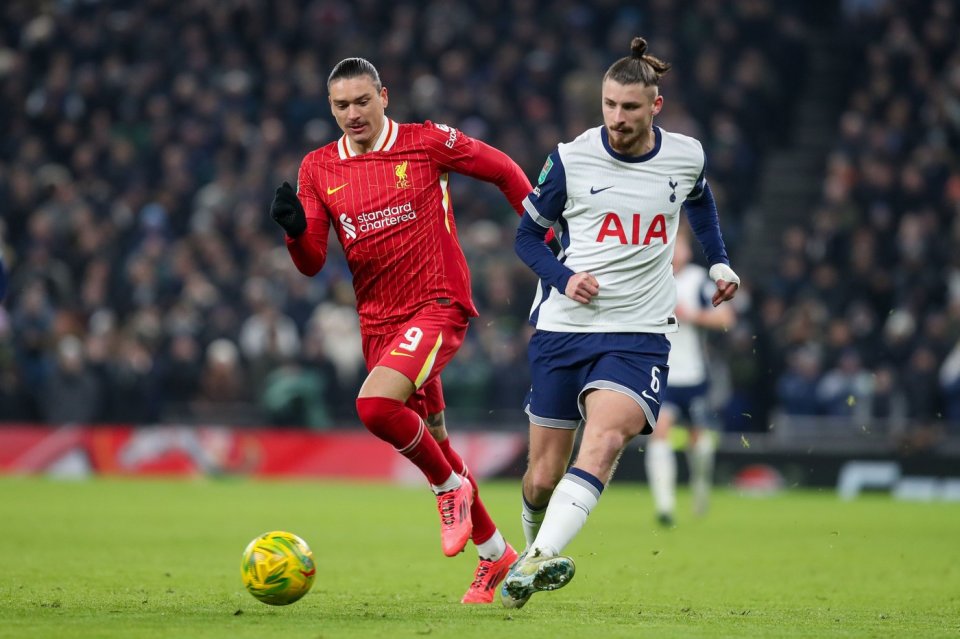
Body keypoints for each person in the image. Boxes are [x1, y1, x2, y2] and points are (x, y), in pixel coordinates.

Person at [269, 57, 556, 604]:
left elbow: (502, 169)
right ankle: (496, 556)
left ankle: (448, 492)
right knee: (437, 439)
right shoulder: (317, 168)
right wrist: (294, 230)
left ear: (384, 95)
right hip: (379, 322)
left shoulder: (425, 142)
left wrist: (540, 236)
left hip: (437, 302)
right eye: (340, 105)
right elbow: (310, 262)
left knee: (375, 408)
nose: (352, 114)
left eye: (361, 101)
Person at [502, 37, 740, 608]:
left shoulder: (686, 155)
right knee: (541, 477)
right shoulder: (571, 158)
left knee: (606, 439)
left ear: (654, 106)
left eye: (629, 108)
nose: (617, 118)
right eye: (609, 105)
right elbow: (526, 237)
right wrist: (563, 277)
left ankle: (531, 562)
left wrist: (720, 259)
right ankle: (532, 557)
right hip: (564, 327)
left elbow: (700, 202)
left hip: (640, 332)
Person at [644, 226, 736, 528]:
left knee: (700, 441)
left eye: (679, 246)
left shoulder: (699, 279)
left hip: (696, 375)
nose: (674, 252)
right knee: (661, 433)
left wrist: (692, 315)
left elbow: (726, 318)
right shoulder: (651, 278)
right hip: (663, 374)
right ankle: (664, 506)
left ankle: (700, 487)